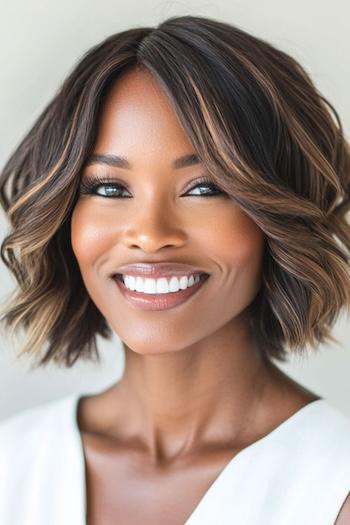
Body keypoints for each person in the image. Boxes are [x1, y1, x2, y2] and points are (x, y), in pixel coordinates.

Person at [0, 14, 350, 525]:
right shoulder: (12, 466)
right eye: (109, 188)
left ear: (278, 213)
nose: (149, 232)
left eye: (205, 188)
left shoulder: (334, 488)